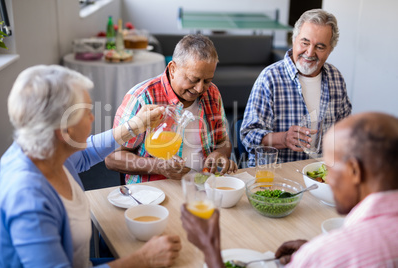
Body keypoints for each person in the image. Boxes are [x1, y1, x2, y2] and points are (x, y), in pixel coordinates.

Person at [0, 65, 181, 267]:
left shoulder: (43, 149)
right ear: (64, 130)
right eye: (87, 112)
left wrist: (135, 125)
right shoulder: (27, 197)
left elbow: (86, 154)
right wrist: (144, 259)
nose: (93, 118)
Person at [181, 112, 398, 267]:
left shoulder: (332, 253)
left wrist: (210, 249)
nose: (327, 176)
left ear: (354, 171)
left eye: (330, 165)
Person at [105, 34, 237, 184]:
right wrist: (157, 166)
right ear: (172, 68)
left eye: (207, 80)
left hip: (201, 185)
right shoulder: (142, 98)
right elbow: (112, 158)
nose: (200, 88)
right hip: (152, 189)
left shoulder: (212, 93)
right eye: (193, 79)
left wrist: (220, 153)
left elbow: (223, 140)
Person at [240, 9, 352, 165]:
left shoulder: (336, 78)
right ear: (294, 40)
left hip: (321, 175)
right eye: (305, 43)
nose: (310, 52)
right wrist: (284, 138)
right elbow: (248, 136)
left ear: (330, 50)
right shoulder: (270, 78)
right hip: (277, 178)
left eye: (320, 47)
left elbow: (344, 131)